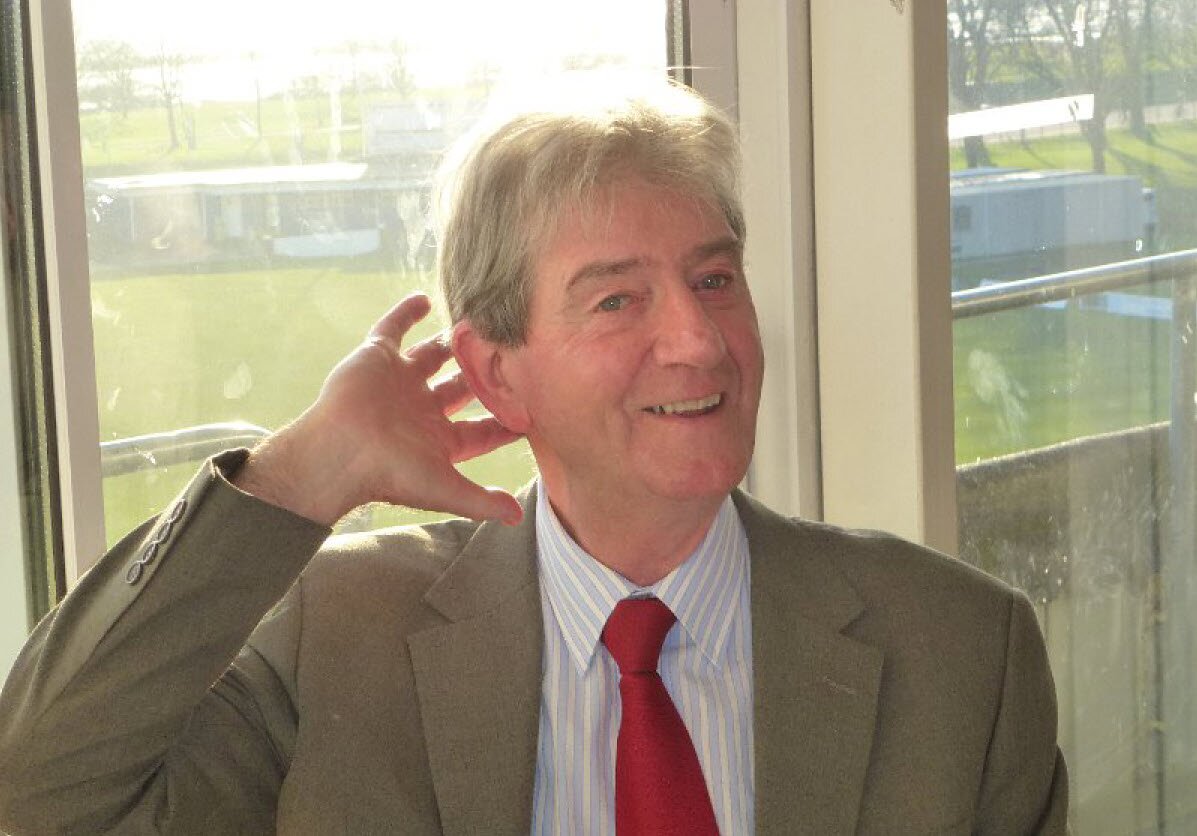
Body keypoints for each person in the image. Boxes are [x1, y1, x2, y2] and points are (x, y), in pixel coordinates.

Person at [0, 77, 1067, 834]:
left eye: (713, 279)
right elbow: (40, 797)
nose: (700, 340)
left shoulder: (962, 648)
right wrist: (303, 471)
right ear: (496, 373)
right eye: (617, 299)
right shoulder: (334, 635)